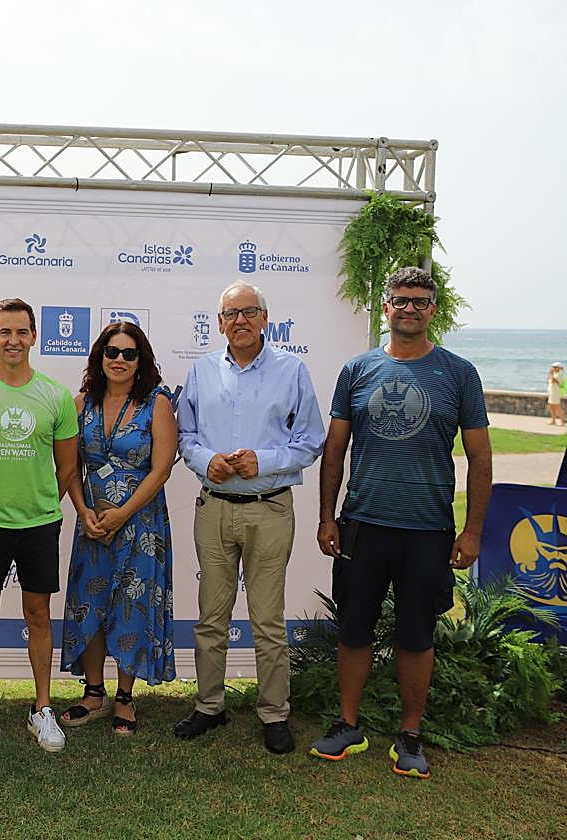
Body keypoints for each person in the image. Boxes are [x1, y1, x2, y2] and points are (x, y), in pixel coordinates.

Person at [312, 266, 492, 779]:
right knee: (354, 629)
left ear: (433, 309)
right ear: (385, 308)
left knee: (417, 635)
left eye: (420, 300)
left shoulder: (458, 374)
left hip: (427, 528)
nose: (409, 308)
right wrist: (328, 516)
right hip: (363, 523)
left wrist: (472, 529)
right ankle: (348, 725)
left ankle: (410, 735)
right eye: (400, 300)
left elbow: (480, 457)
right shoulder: (358, 370)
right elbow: (335, 449)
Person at [174, 281, 325, 754]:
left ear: (265, 318)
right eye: (230, 313)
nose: (240, 320)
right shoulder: (201, 371)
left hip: (270, 507)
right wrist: (205, 461)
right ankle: (208, 706)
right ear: (218, 323)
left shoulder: (291, 369)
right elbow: (186, 435)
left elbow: (311, 439)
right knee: (211, 618)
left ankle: (274, 713)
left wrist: (265, 459)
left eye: (249, 312)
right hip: (215, 507)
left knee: (267, 620)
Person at [0, 298, 79, 752]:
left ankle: (42, 709)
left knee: (38, 614)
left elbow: (66, 469)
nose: (13, 340)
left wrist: (41, 503)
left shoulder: (56, 396)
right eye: (4, 332)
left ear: (34, 337)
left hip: (40, 524)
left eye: (21, 332)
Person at [59, 321, 178, 736]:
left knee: (132, 603)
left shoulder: (157, 403)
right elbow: (69, 466)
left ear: (141, 360)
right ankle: (93, 693)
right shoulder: (81, 404)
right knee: (90, 604)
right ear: (99, 357)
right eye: (112, 352)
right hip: (92, 523)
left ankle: (125, 698)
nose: (120, 360)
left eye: (129, 353)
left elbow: (161, 468)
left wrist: (123, 512)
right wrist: (83, 510)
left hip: (140, 524)